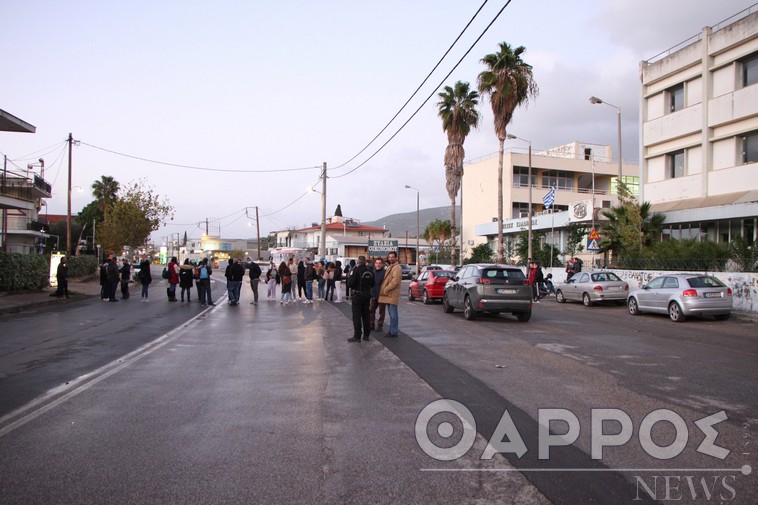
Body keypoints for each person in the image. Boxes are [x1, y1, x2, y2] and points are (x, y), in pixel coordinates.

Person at [347, 256, 374, 342]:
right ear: (365, 262)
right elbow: (373, 284)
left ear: (358, 262)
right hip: (367, 296)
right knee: (366, 315)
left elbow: (350, 283)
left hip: (357, 296)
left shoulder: (355, 270)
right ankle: (366, 335)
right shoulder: (370, 271)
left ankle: (357, 335)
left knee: (356, 316)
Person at [378, 251, 402, 337]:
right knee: (391, 314)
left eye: (392, 257)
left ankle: (394, 331)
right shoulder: (391, 267)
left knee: (393, 314)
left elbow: (395, 281)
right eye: (390, 257)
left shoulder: (397, 268)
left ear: (396, 258)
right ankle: (392, 330)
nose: (391, 258)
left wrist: (386, 289)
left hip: (391, 293)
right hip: (389, 294)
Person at [369, 257, 386, 332]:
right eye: (377, 263)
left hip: (382, 295)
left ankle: (380, 325)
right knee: (371, 311)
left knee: (381, 312)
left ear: (382, 264)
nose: (378, 265)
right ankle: (371, 325)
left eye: (379, 263)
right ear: (374, 264)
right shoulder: (372, 272)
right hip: (373, 295)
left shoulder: (385, 272)